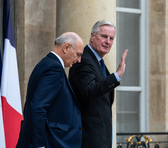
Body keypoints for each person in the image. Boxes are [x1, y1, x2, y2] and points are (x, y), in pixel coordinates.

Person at [16, 32, 84, 148]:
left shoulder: (46, 64)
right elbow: (38, 108)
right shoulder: (54, 68)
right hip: (49, 143)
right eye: (78, 54)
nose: (79, 60)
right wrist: (39, 145)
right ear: (66, 48)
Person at [69, 20, 128, 148]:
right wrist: (116, 75)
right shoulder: (83, 59)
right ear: (92, 36)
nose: (108, 42)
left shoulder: (98, 61)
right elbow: (89, 91)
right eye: (104, 36)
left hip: (100, 137)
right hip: (88, 138)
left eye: (111, 38)